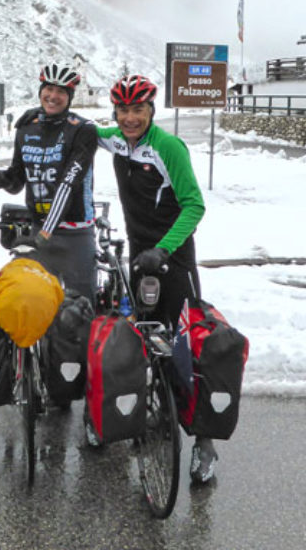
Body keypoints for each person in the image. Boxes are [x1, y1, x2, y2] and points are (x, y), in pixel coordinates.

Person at [96, 73, 217, 485]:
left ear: (152, 110)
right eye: (124, 110)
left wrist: (163, 250)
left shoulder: (168, 147)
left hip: (172, 258)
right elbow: (87, 132)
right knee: (143, 339)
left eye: (138, 109)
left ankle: (204, 442)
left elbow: (194, 206)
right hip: (138, 257)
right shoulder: (116, 139)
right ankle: (151, 413)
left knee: (186, 348)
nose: (130, 118)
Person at [0, 62, 98, 308]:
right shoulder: (26, 127)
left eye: (61, 91)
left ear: (69, 97)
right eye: (48, 88)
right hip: (38, 228)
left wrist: (44, 233)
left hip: (75, 231)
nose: (53, 96)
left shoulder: (83, 130)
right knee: (32, 305)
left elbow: (67, 185)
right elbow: (19, 179)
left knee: (80, 307)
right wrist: (5, 179)